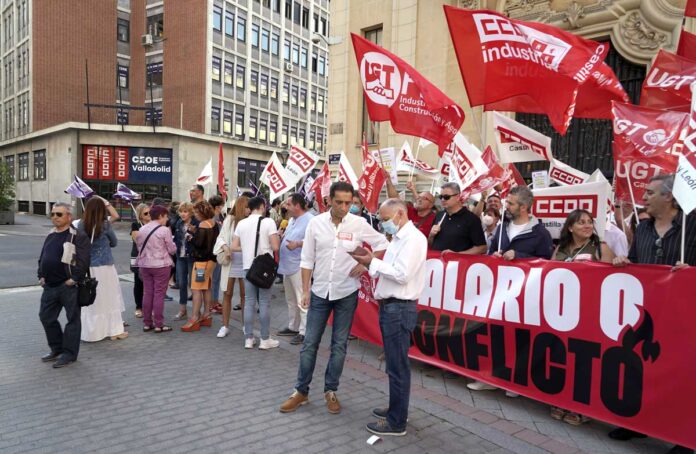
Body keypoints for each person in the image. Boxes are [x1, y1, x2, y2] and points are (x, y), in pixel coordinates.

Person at [279, 182, 388, 415]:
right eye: (339, 202)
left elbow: (383, 243)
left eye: (349, 202)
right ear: (329, 200)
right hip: (319, 291)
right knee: (310, 343)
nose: (344, 207)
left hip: (346, 291)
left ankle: (331, 390)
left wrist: (365, 264)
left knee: (339, 345)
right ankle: (301, 391)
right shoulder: (316, 223)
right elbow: (307, 258)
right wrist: (305, 291)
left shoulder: (359, 223)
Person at [610, 174, 695, 453]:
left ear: (669, 197)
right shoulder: (643, 227)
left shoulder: (691, 226)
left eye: (649, 192)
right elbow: (636, 261)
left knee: (681, 373)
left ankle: (684, 435)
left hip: (683, 316)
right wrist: (625, 262)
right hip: (647, 313)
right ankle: (638, 423)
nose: (643, 197)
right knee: (641, 366)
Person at [350, 198, 427, 437]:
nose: (383, 225)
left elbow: (402, 275)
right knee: (394, 364)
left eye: (385, 219)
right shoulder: (400, 238)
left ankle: (397, 421)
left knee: (398, 367)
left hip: (399, 308)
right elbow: (390, 269)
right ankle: (396, 409)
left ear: (400, 214)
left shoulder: (413, 240)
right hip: (391, 306)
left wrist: (372, 261)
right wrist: (371, 260)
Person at [469, 185, 553, 395]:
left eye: (511, 203)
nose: (506, 206)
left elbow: (546, 262)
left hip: (524, 293)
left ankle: (516, 380)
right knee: (495, 333)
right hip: (499, 290)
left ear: (524, 207)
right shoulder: (502, 227)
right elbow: (491, 251)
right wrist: (494, 256)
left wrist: (520, 256)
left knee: (520, 337)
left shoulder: (540, 233)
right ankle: (492, 376)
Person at [548, 209, 614, 425]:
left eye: (589, 222)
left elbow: (612, 278)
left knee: (585, 361)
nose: (587, 226)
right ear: (570, 227)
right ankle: (563, 400)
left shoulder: (601, 247)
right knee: (564, 357)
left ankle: (583, 408)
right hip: (563, 312)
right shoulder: (560, 248)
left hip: (590, 313)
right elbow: (548, 273)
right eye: (581, 222)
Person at [37, 203, 91, 368]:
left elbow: (84, 260)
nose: (55, 217)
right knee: (46, 317)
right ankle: (57, 348)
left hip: (68, 286)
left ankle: (69, 354)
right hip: (49, 285)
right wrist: (41, 275)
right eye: (53, 214)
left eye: (59, 214)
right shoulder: (51, 234)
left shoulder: (77, 235)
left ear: (69, 216)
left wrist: (74, 278)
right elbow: (43, 256)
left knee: (72, 320)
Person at [230, 196, 281, 349]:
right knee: (264, 302)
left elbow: (233, 246)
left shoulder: (242, 223)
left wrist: (247, 248)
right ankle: (265, 340)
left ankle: (248, 338)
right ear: (262, 206)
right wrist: (278, 237)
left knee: (249, 302)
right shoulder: (268, 222)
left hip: (248, 267)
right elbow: (276, 247)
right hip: (263, 267)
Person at [78, 196, 128, 342]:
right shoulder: (105, 224)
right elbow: (114, 242)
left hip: (89, 266)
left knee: (93, 299)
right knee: (110, 298)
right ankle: (114, 330)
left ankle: (92, 332)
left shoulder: (81, 224)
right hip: (105, 266)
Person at [276, 193, 314, 345]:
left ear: (297, 206)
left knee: (302, 300)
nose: (286, 207)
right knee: (291, 300)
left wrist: (298, 244)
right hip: (287, 266)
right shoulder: (291, 220)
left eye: (289, 204)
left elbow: (315, 241)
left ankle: (305, 332)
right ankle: (294, 326)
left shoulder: (310, 220)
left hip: (300, 267)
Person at [136, 205, 177, 333]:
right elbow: (172, 249)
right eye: (165, 216)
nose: (167, 219)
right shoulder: (164, 230)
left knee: (147, 293)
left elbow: (139, 246)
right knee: (159, 293)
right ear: (160, 216)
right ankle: (159, 324)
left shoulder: (142, 229)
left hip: (145, 264)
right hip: (161, 265)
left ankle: (147, 323)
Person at [213, 196, 250, 338]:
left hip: (245, 262)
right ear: (241, 207)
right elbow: (220, 238)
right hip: (230, 262)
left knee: (245, 296)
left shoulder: (251, 222)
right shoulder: (230, 220)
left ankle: (246, 325)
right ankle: (225, 325)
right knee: (227, 294)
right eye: (247, 207)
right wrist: (226, 248)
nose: (249, 210)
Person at [181, 201, 219, 332]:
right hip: (211, 261)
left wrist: (190, 237)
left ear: (202, 212)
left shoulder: (203, 224)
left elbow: (199, 244)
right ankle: (206, 314)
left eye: (196, 212)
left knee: (196, 289)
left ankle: (194, 317)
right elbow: (208, 241)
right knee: (206, 287)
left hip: (201, 262)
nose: (195, 215)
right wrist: (195, 231)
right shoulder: (213, 223)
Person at [429, 182, 487, 255]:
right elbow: (431, 244)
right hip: (437, 263)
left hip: (458, 265)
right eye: (441, 197)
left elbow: (482, 248)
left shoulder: (471, 219)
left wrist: (457, 255)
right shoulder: (439, 215)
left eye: (446, 197)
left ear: (457, 197)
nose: (443, 200)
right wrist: (431, 235)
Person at [172, 202, 197, 320]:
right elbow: (176, 239)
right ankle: (182, 310)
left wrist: (194, 234)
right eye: (181, 211)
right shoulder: (178, 223)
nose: (182, 214)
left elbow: (199, 241)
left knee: (194, 285)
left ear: (190, 212)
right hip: (180, 257)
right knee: (181, 283)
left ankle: (196, 312)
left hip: (192, 257)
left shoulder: (196, 223)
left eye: (185, 211)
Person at [130, 203, 150, 318]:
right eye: (146, 213)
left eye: (150, 212)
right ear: (140, 215)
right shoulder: (136, 224)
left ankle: (148, 306)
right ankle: (138, 306)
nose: (149, 215)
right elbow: (138, 241)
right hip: (138, 256)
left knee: (149, 282)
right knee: (138, 281)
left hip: (151, 256)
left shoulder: (154, 224)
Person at [209, 195, 226, 314]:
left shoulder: (219, 216)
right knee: (214, 279)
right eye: (222, 205)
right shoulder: (212, 218)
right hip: (214, 252)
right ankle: (212, 303)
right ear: (218, 206)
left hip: (218, 251)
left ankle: (215, 300)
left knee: (216, 279)